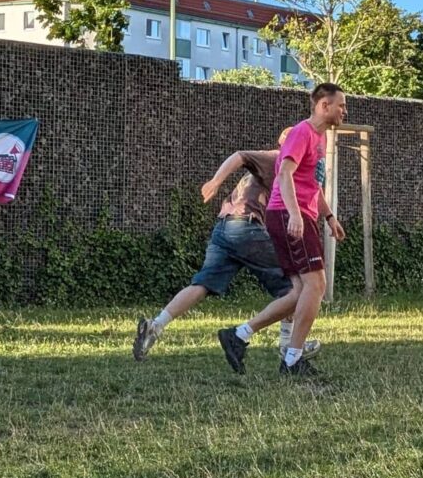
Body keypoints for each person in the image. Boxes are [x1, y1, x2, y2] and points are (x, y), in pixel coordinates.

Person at [132, 130, 322, 361]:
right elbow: (240, 155)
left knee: (202, 284)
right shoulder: (276, 158)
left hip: (223, 227)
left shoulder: (292, 169)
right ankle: (286, 347)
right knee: (295, 287)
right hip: (246, 228)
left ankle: (156, 325)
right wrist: (215, 181)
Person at [219, 82, 348, 377]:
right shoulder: (301, 132)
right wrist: (295, 214)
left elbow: (312, 184)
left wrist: (329, 217)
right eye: (340, 105)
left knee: (299, 291)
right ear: (323, 106)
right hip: (289, 215)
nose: (344, 110)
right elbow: (284, 174)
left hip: (299, 214)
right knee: (317, 286)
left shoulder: (321, 139)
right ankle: (292, 360)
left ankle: (238, 335)